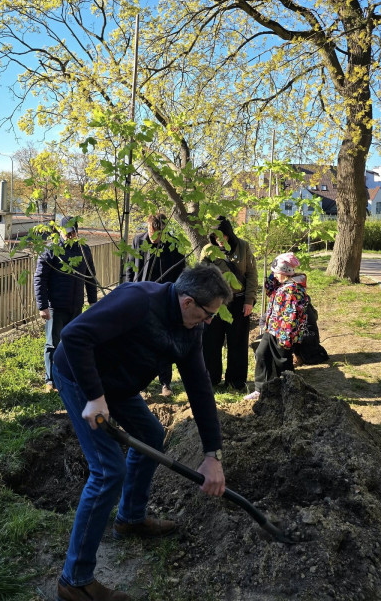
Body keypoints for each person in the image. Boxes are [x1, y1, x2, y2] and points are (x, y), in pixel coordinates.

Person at [52, 263, 231, 601]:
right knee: (108, 470)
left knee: (151, 434)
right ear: (188, 302)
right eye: (208, 314)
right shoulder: (138, 301)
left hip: (117, 384)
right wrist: (94, 396)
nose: (209, 322)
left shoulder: (190, 327)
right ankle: (73, 581)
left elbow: (199, 387)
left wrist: (212, 454)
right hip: (79, 375)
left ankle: (130, 519)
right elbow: (73, 336)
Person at [125, 213, 186, 396]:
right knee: (140, 342)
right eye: (151, 232)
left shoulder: (174, 245)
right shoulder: (138, 241)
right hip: (141, 298)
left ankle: (165, 383)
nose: (153, 237)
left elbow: (181, 274)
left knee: (164, 342)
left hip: (164, 299)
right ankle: (140, 383)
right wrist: (128, 291)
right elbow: (130, 268)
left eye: (157, 233)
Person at [34, 216, 98, 391]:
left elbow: (90, 276)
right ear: (60, 231)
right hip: (56, 306)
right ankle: (50, 380)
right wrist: (43, 305)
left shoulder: (83, 249)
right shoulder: (51, 249)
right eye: (68, 233)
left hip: (75, 305)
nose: (71, 236)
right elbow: (40, 278)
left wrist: (93, 302)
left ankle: (69, 377)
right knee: (52, 344)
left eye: (74, 233)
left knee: (72, 343)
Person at [200, 216, 257, 391]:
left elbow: (252, 275)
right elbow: (201, 277)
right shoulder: (208, 250)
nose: (220, 240)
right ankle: (211, 379)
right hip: (215, 304)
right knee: (211, 342)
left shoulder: (243, 247)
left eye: (223, 236)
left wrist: (249, 300)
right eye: (217, 236)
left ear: (229, 235)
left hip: (239, 302)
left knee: (238, 343)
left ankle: (236, 381)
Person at [245, 252, 308, 401]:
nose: (274, 275)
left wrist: (286, 338)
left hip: (283, 333)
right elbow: (270, 292)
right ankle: (260, 390)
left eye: (276, 273)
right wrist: (271, 276)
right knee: (261, 353)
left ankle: (290, 393)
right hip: (272, 328)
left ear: (285, 272)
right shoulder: (282, 286)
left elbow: (292, 316)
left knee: (283, 362)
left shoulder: (293, 290)